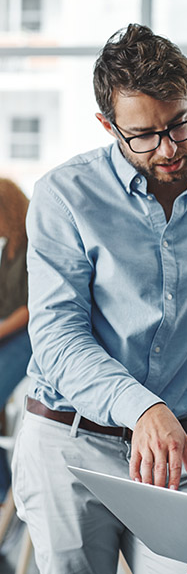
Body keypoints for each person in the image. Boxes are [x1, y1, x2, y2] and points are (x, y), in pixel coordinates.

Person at [11, 23, 187, 574]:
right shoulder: (63, 195)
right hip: (68, 443)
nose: (169, 148)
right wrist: (141, 406)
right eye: (144, 134)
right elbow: (56, 337)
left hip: (174, 454)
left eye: (180, 124)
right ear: (108, 125)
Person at [0, 178, 31, 502]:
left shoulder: (29, 244)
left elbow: (28, 308)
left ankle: (4, 492)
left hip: (25, 339)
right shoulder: (6, 249)